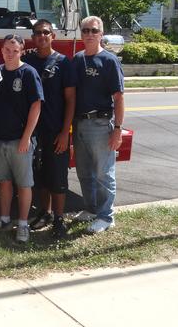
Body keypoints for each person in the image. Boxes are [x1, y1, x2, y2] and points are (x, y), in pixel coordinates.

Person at [0, 34, 43, 243]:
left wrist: (27, 137)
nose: (10, 54)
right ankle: (4, 218)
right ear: (1, 51)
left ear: (21, 50)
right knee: (4, 182)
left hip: (21, 139)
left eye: (15, 50)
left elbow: (36, 106)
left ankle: (24, 224)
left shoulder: (28, 73)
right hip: (0, 137)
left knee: (24, 184)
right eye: (7, 50)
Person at [71, 15, 125, 234]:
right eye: (85, 30)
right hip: (80, 123)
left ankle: (106, 216)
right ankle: (92, 209)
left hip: (101, 124)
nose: (90, 34)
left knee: (103, 173)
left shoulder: (109, 61)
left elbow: (119, 98)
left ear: (101, 34)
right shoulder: (77, 59)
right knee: (84, 172)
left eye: (94, 31)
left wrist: (118, 130)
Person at [22, 20, 75, 239]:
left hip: (56, 131)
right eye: (38, 33)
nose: (42, 36)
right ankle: (45, 212)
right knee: (39, 175)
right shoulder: (27, 61)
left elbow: (71, 100)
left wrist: (65, 132)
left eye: (46, 32)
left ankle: (59, 219)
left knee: (58, 177)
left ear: (52, 35)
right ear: (33, 37)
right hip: (33, 131)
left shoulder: (64, 63)